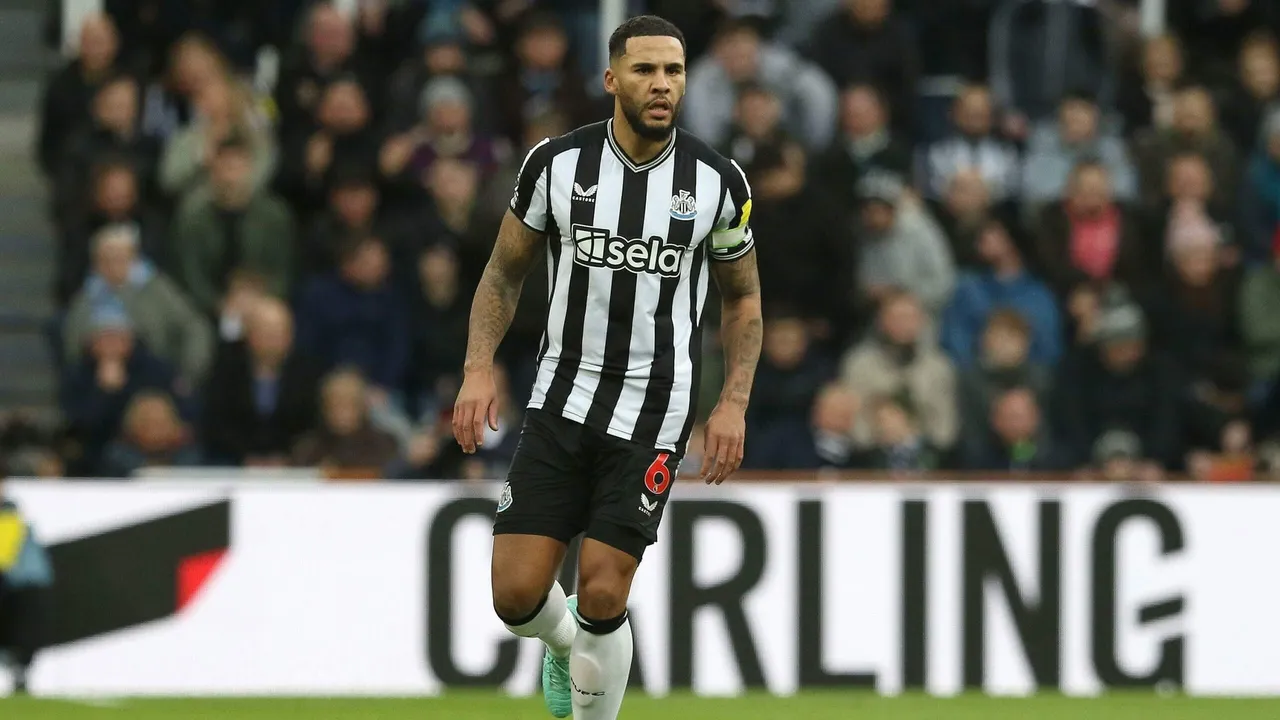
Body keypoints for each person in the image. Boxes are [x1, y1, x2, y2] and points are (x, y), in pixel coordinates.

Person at [451, 16, 762, 720]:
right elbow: (503, 273)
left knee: (600, 590)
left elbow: (743, 299)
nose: (662, 85)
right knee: (515, 598)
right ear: (612, 78)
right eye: (646, 70)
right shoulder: (555, 165)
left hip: (655, 411)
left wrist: (733, 403)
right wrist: (476, 368)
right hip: (561, 399)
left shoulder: (717, 181)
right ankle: (564, 647)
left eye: (674, 71)